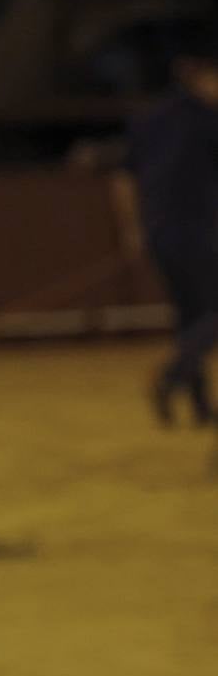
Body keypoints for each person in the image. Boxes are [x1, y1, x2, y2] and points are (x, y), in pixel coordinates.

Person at [117, 37, 218, 427]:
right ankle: (171, 377)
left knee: (189, 316)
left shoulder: (147, 118)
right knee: (210, 313)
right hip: (199, 230)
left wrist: (133, 229)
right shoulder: (210, 120)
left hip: (158, 232)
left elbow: (124, 178)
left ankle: (200, 405)